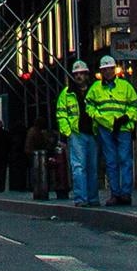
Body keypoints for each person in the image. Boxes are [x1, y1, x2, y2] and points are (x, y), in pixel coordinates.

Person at [81, 52, 137, 207]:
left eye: (110, 69)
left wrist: (127, 117)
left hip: (123, 128)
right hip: (105, 129)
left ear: (114, 70)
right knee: (111, 162)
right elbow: (89, 106)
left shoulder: (125, 86)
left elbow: (136, 106)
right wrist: (102, 119)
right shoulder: (95, 88)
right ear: (101, 71)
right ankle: (115, 193)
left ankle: (126, 194)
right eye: (105, 69)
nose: (107, 71)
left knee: (125, 160)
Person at [55, 70, 91, 203]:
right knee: (78, 167)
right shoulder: (66, 93)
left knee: (91, 167)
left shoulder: (94, 90)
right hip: (76, 134)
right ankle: (81, 198)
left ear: (87, 75)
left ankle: (92, 198)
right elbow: (61, 114)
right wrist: (68, 133)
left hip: (92, 133)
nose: (79, 76)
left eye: (81, 73)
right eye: (76, 74)